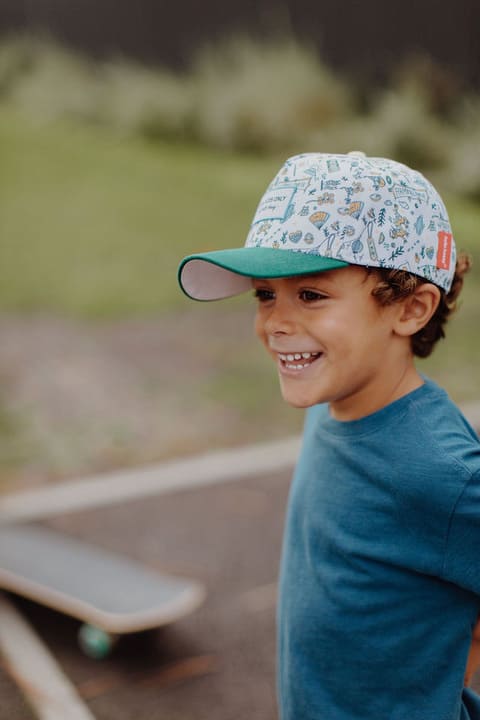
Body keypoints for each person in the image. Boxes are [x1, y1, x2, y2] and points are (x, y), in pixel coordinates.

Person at [178, 151, 480, 719]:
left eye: (311, 295)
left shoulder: (443, 473)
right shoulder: (330, 403)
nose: (276, 323)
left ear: (411, 308)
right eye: (265, 294)